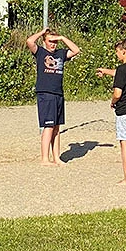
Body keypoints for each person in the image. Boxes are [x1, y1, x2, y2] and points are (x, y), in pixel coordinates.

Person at [26, 27, 81, 165]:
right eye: (50, 41)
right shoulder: (40, 52)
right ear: (44, 41)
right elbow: (29, 41)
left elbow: (76, 50)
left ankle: (56, 157)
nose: (53, 44)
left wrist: (62, 38)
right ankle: (45, 158)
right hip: (46, 93)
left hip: (58, 93)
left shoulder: (61, 54)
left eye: (55, 42)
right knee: (48, 126)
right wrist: (42, 32)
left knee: (56, 127)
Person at [96, 39, 126, 185]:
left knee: (125, 143)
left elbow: (117, 93)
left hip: (125, 110)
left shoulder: (122, 69)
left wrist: (112, 102)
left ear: (124, 51)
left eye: (117, 52)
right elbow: (120, 73)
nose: (116, 54)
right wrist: (105, 71)